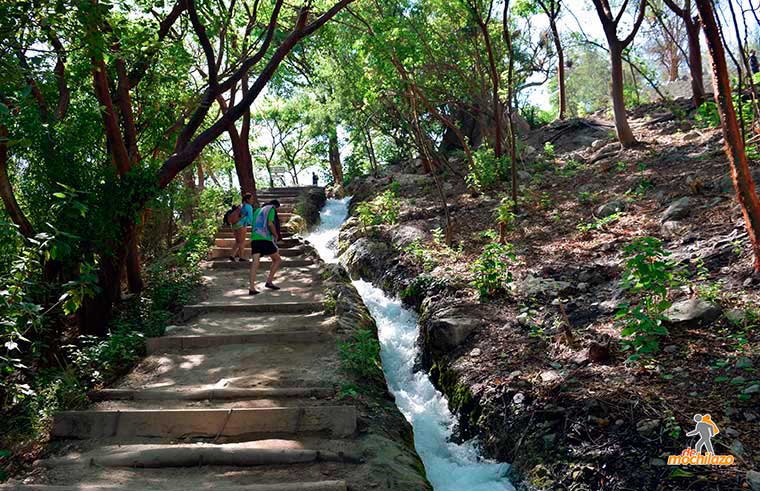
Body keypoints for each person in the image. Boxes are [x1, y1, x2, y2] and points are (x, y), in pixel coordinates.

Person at [249, 199, 282, 294]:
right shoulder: (271, 209)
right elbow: (270, 223)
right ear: (275, 206)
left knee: (255, 263)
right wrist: (276, 235)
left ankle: (252, 288)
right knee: (277, 259)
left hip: (255, 239)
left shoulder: (257, 211)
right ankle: (269, 281)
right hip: (265, 239)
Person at [230, 193, 254, 262]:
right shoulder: (248, 206)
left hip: (234, 225)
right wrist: (252, 224)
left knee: (238, 241)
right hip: (242, 225)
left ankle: (232, 255)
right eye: (251, 199)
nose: (252, 200)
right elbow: (250, 218)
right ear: (247, 199)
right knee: (242, 241)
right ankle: (241, 257)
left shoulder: (241, 206)